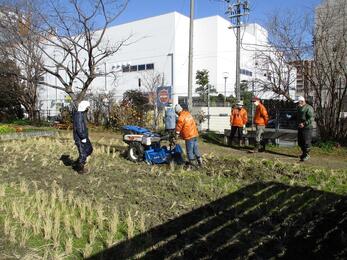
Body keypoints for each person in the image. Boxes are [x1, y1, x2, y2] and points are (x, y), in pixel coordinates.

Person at [73, 100, 93, 174]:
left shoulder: (80, 114)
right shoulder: (79, 116)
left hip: (83, 136)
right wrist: (83, 137)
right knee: (83, 153)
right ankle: (80, 169)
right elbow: (79, 128)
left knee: (89, 149)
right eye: (87, 107)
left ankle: (77, 163)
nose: (88, 108)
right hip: (80, 138)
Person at [295, 96, 314, 161]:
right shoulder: (298, 107)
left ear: (302, 101)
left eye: (298, 102)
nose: (297, 104)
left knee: (306, 142)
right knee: (300, 142)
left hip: (307, 128)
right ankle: (304, 153)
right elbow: (297, 116)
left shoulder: (309, 108)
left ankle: (307, 155)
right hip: (300, 127)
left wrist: (304, 123)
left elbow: (311, 118)